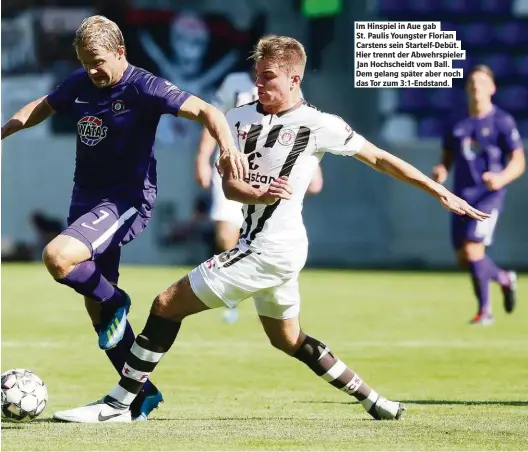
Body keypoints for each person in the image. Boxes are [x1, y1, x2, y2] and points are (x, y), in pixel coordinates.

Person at [52, 35, 488, 423]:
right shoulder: (239, 117)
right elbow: (230, 183)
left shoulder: (320, 125)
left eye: (269, 78)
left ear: (295, 79)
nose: (259, 85)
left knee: (166, 304)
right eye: (257, 76)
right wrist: (253, 193)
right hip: (260, 245)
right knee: (289, 339)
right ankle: (375, 400)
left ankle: (119, 404)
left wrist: (440, 192)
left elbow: (379, 158)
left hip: (272, 248)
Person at [1, 15, 247, 421]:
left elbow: (208, 111)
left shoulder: (144, 86)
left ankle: (117, 299)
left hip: (124, 200)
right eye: (84, 61)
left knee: (58, 258)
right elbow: (40, 108)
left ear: (120, 53)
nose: (92, 69)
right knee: (98, 317)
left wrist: (225, 148)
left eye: (98, 60)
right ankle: (141, 395)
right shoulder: (81, 82)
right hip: (85, 200)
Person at [195, 68, 323, 322]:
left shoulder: (289, 88)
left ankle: (257, 283)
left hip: (271, 170)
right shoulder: (234, 82)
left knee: (265, 233)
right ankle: (230, 289)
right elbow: (215, 120)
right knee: (225, 233)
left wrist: (314, 170)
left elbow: (303, 130)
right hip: (234, 166)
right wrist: (201, 158)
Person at [432, 65, 525, 326]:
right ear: (466, 88)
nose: (476, 87)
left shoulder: (502, 121)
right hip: (460, 195)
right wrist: (441, 171)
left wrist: (500, 178)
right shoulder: (457, 122)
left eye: (482, 82)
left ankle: (485, 312)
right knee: (464, 258)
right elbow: (446, 158)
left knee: (474, 251)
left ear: (493, 88)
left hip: (488, 196)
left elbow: (518, 161)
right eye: (472, 82)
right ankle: (505, 279)